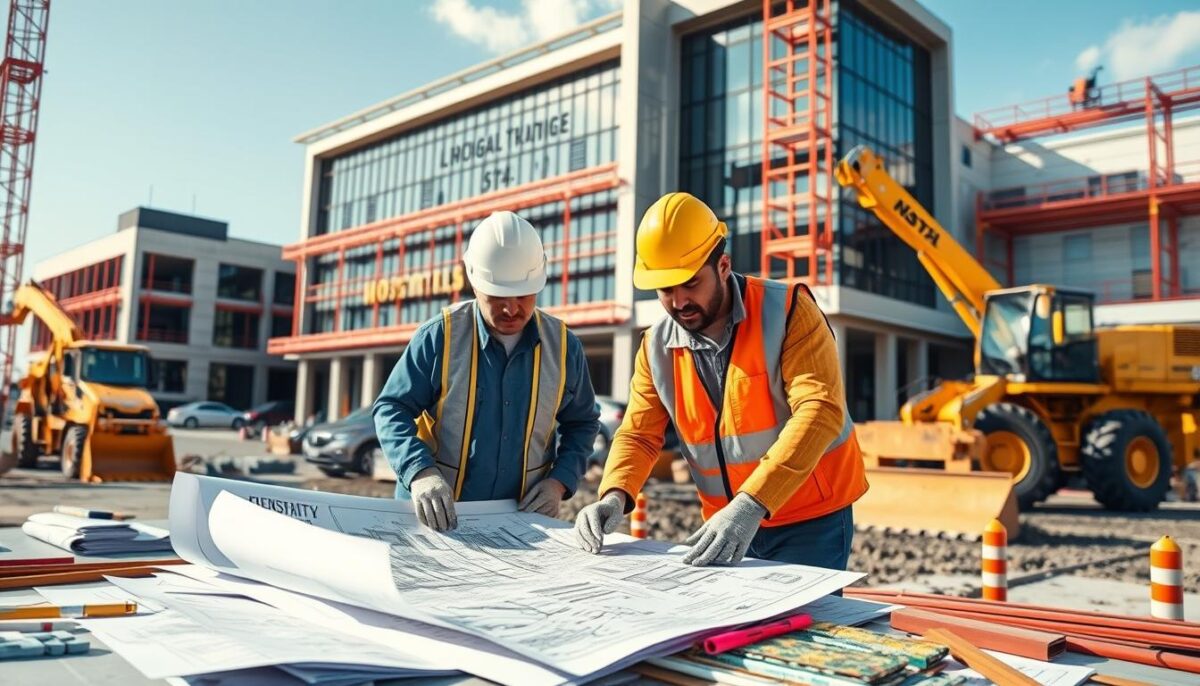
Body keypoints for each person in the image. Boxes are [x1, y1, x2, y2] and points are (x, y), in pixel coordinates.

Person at [574, 192, 868, 568]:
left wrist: (751, 503)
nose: (679, 302)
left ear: (724, 265)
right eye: (666, 290)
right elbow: (639, 433)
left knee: (803, 627)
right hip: (722, 523)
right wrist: (614, 495)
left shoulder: (789, 310)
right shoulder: (655, 346)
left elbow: (819, 410)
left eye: (691, 283)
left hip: (809, 521)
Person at [373, 211, 600, 531]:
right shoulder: (440, 336)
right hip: (435, 519)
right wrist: (419, 472)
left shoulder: (564, 347)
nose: (511, 309)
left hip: (521, 524)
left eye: (522, 295)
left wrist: (558, 483)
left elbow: (583, 423)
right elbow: (391, 408)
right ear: (475, 283)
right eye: (498, 297)